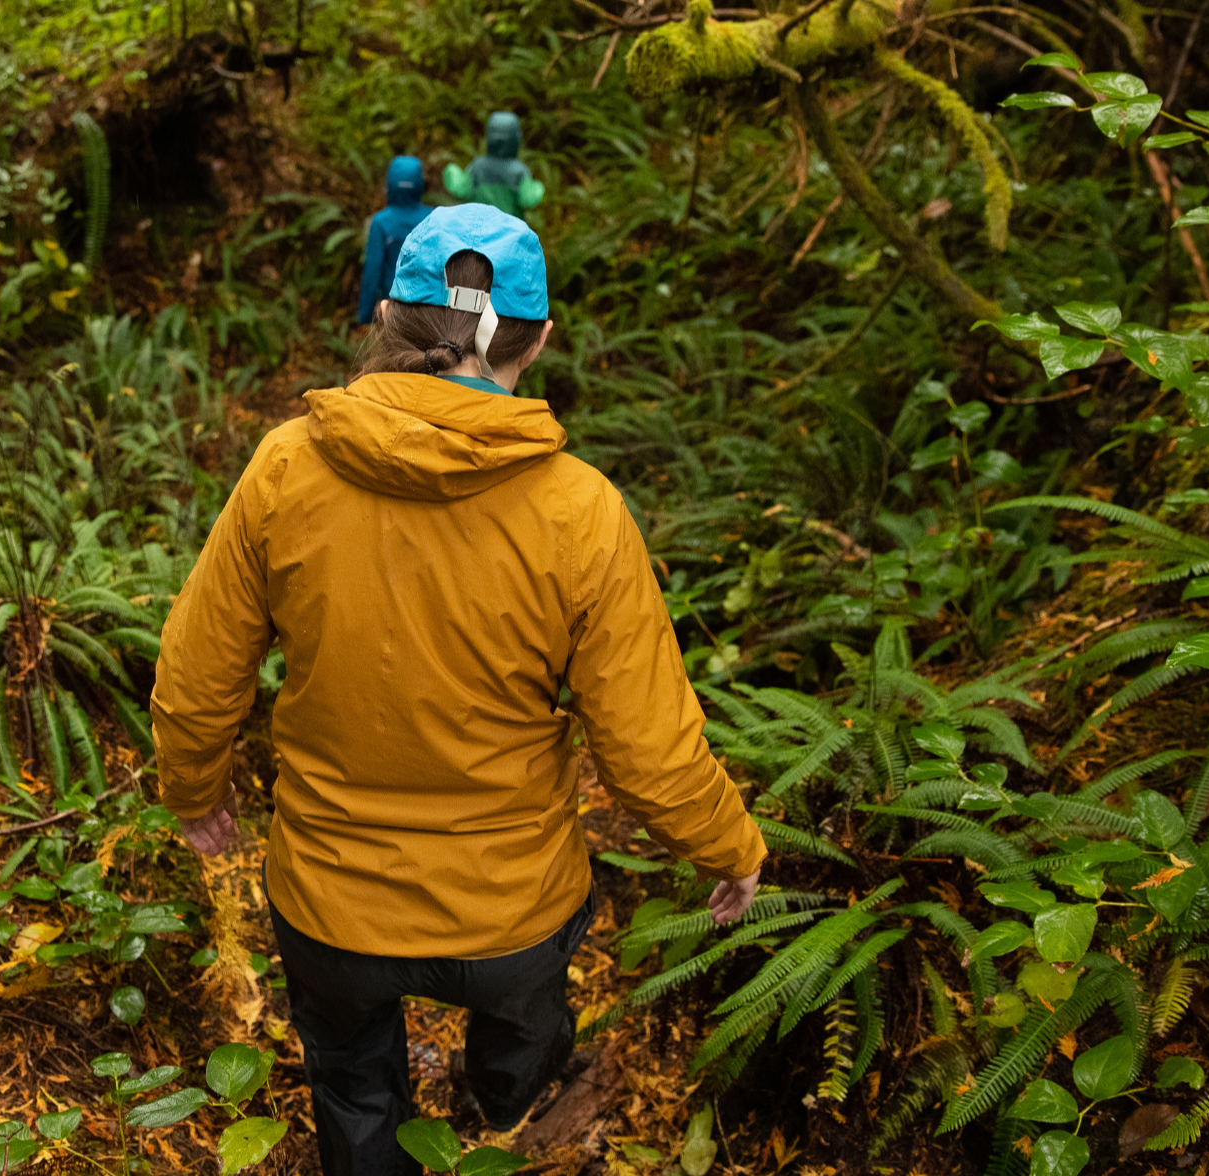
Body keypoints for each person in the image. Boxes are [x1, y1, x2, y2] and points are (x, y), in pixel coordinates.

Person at [152, 204, 766, 1176]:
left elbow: (198, 669)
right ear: (542, 337)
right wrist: (724, 846)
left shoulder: (285, 469)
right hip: (513, 912)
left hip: (330, 904)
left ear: (387, 315)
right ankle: (496, 1121)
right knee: (519, 1052)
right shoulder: (579, 512)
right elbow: (644, 744)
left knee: (353, 1088)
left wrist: (192, 790)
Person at [358, 156, 435, 325]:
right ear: (420, 184)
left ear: (389, 185)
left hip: (392, 311)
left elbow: (373, 270)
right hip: (429, 311)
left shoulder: (380, 223)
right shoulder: (434, 218)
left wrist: (365, 314)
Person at [443, 112, 545, 217]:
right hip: (510, 230)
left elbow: (460, 188)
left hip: (481, 226)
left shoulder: (478, 166)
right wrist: (538, 187)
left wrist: (451, 171)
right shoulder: (519, 171)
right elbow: (529, 199)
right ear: (515, 140)